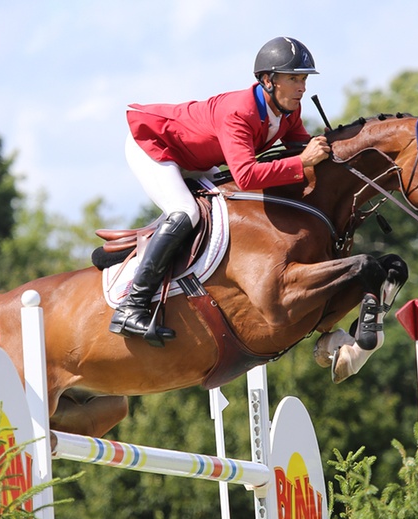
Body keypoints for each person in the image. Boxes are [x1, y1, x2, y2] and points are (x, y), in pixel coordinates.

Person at [109, 36, 332, 344]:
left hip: (197, 158)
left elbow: (300, 147)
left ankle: (125, 253)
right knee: (185, 212)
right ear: (268, 80)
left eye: (304, 78)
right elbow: (246, 176)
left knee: (224, 207)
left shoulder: (289, 109)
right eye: (293, 78)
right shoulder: (239, 112)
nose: (302, 87)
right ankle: (131, 306)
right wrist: (302, 161)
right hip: (155, 145)